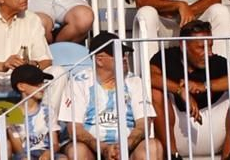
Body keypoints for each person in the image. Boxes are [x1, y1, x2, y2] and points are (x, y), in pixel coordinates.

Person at [148, 19, 230, 160]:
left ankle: (228, 157)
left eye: (210, 46)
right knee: (155, 92)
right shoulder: (166, 57)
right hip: (177, 129)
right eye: (201, 48)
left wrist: (204, 86)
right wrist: (180, 90)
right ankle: (173, 156)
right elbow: (149, 77)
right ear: (183, 45)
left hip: (212, 128)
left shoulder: (215, 61)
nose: (209, 52)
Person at [58, 30, 161, 160]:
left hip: (129, 146)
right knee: (76, 151)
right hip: (92, 148)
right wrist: (103, 148)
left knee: (153, 147)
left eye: (124, 54)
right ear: (99, 60)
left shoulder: (134, 81)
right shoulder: (79, 82)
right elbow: (75, 129)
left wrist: (126, 145)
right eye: (118, 54)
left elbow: (143, 123)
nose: (124, 58)